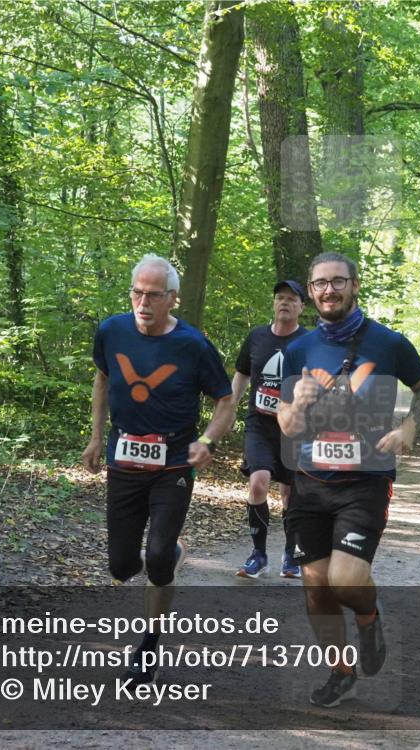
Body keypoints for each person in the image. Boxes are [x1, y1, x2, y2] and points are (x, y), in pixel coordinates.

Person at [278, 252, 420, 707]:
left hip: (365, 481)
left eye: (338, 282)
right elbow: (286, 426)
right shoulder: (299, 350)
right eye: (320, 284)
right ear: (311, 292)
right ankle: (340, 671)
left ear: (354, 285)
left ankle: (368, 617)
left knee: (345, 580)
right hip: (309, 481)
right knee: (316, 585)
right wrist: (298, 405)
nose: (329, 290)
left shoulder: (387, 344)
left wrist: (409, 427)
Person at [82, 254, 234, 686]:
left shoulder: (193, 345)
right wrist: (96, 436)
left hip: (173, 465)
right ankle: (161, 558)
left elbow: (225, 401)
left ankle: (148, 647)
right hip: (124, 459)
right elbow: (102, 378)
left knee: (160, 558)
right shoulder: (111, 331)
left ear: (172, 299)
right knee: (121, 567)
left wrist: (206, 441)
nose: (142, 302)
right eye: (137, 292)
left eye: (152, 295)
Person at [231, 280, 309, 579]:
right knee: (258, 483)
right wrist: (227, 409)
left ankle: (290, 554)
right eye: (280, 298)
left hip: (296, 430)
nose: (285, 303)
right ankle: (258, 554)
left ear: (302, 306)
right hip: (259, 425)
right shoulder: (257, 338)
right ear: (274, 303)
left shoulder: (308, 342)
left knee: (291, 496)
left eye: (292, 299)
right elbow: (240, 377)